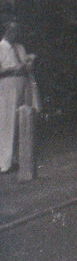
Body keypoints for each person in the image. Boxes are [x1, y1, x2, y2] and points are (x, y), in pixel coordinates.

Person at [0, 21, 38, 173]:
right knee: (7, 123)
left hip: (23, 86)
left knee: (21, 122)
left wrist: (29, 63)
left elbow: (26, 65)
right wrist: (15, 69)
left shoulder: (20, 48)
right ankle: (5, 162)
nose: (18, 35)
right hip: (8, 88)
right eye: (15, 31)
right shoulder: (1, 47)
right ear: (8, 31)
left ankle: (18, 159)